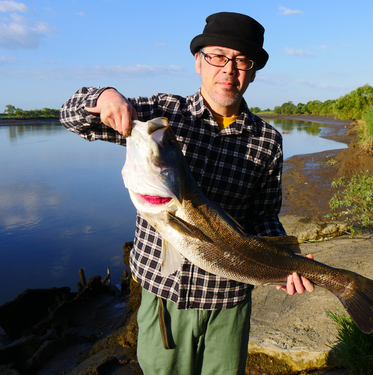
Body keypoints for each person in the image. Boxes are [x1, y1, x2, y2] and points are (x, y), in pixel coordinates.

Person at [60, 11, 314, 375]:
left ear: (253, 71)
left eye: (242, 61)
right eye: (218, 56)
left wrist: (286, 264)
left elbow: (264, 214)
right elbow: (70, 116)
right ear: (199, 61)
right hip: (166, 296)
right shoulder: (161, 116)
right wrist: (105, 96)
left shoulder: (267, 139)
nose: (229, 69)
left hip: (229, 298)